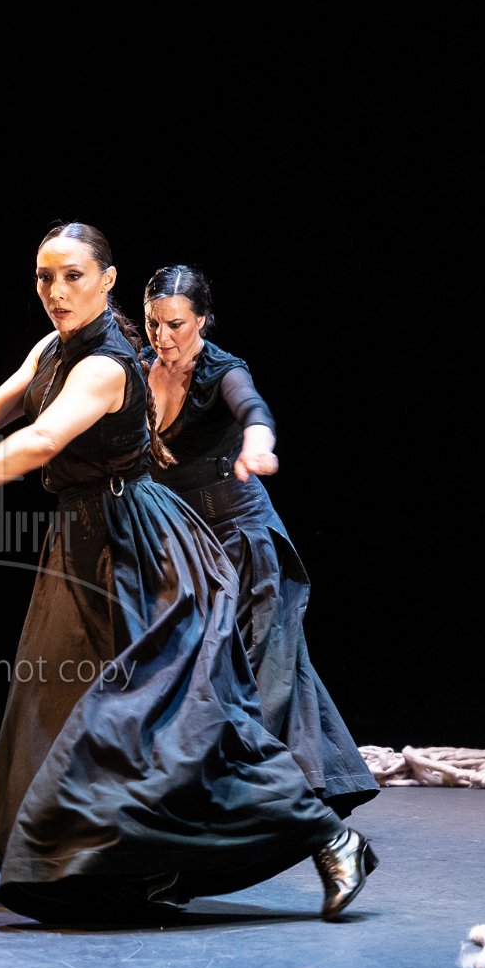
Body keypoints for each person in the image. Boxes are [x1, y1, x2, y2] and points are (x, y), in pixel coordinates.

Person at [0, 223, 376, 923]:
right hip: (78, 544)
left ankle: (329, 836)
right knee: (63, 710)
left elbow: (41, 439)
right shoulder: (51, 350)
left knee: (179, 722)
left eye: (73, 276)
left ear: (107, 280)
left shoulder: (107, 365)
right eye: (45, 277)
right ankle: (114, 866)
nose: (56, 291)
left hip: (138, 547)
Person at [143, 264, 378, 816]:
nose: (163, 336)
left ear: (202, 320)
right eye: (154, 322)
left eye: (176, 324)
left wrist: (258, 443)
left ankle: (256, 797)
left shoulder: (222, 370)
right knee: (228, 666)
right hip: (184, 541)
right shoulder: (137, 368)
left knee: (255, 667)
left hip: (240, 536)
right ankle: (314, 789)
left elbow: (252, 408)